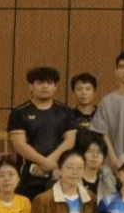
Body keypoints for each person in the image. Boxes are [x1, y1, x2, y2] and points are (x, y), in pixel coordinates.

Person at [9, 66, 75, 198]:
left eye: (49, 83)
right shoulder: (19, 113)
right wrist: (44, 163)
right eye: (40, 83)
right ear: (30, 86)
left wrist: (50, 163)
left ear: (55, 87)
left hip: (58, 173)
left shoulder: (66, 111)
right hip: (29, 175)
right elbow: (19, 144)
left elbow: (70, 141)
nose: (45, 86)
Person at [79, 131, 116, 199]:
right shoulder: (74, 179)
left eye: (99, 152)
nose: (94, 156)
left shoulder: (108, 180)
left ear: (104, 157)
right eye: (90, 151)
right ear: (82, 154)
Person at [69, 72, 98, 147]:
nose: (84, 93)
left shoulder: (102, 115)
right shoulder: (68, 116)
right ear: (73, 92)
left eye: (88, 89)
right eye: (79, 89)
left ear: (94, 91)